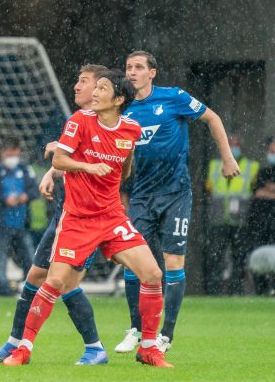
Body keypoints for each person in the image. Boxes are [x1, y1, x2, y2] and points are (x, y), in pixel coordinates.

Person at [4, 70, 173, 368]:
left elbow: (127, 164)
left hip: (111, 216)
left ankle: (148, 348)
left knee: (153, 274)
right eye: (94, 88)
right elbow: (58, 159)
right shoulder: (80, 120)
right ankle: (23, 349)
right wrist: (89, 167)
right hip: (78, 218)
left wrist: (117, 172)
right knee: (54, 280)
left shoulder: (131, 129)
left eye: (102, 89)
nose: (94, 93)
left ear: (118, 99)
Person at [0, 64, 109, 366]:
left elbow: (100, 161)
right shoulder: (77, 120)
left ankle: (96, 347)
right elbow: (74, 156)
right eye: (77, 80)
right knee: (36, 275)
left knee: (65, 283)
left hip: (86, 219)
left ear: (102, 89)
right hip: (64, 214)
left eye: (84, 81)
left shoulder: (106, 123)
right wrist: (54, 169)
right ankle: (13, 344)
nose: (77, 86)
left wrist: (59, 158)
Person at [116, 50, 240, 354]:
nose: (132, 72)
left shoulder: (173, 97)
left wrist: (227, 158)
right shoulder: (124, 109)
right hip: (142, 196)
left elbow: (212, 118)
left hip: (175, 194)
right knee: (134, 263)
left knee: (172, 262)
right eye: (129, 67)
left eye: (138, 67)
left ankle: (165, 335)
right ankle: (135, 328)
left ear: (152, 72)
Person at [0, 137, 37, 296]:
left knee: (29, 255)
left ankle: (30, 285)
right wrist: (4, 200)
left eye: (15, 153)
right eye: (9, 153)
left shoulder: (25, 170)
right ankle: (2, 287)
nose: (12, 157)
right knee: (1, 256)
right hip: (0, 223)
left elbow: (35, 191)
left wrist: (26, 196)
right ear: (2, 152)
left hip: (22, 222)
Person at [204, 134, 258, 294]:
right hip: (218, 220)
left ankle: (236, 291)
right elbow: (208, 189)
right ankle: (213, 291)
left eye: (235, 145)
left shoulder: (250, 167)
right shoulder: (215, 166)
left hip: (240, 221)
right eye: (230, 144)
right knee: (215, 257)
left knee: (239, 258)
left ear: (241, 147)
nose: (232, 148)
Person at [247, 137, 275, 294]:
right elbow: (256, 192)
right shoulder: (263, 172)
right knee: (258, 256)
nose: (272, 153)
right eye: (271, 150)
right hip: (261, 222)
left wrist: (267, 191)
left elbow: (262, 192)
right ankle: (262, 290)